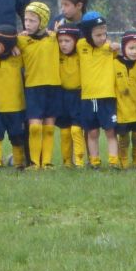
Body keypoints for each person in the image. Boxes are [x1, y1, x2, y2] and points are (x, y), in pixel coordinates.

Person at [17, 2, 61, 169]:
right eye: (25, 20)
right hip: (33, 88)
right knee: (35, 127)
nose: (27, 24)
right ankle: (34, 163)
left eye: (32, 20)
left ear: (42, 21)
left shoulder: (54, 38)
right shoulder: (21, 40)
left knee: (49, 128)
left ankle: (47, 162)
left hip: (53, 87)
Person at [77, 11, 119, 169]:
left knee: (110, 131)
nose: (102, 38)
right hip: (88, 97)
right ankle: (94, 162)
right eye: (98, 35)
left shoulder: (110, 48)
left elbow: (124, 50)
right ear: (88, 35)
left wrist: (118, 46)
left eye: (104, 34)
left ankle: (114, 162)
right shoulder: (80, 46)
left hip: (107, 97)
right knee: (92, 133)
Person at [0, 24, 26, 170]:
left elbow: (30, 42)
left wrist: (16, 45)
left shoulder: (19, 56)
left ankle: (19, 162)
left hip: (17, 106)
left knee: (17, 135)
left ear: (8, 45)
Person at [114, 30, 136, 170]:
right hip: (122, 109)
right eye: (131, 48)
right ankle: (123, 163)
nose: (135, 52)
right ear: (123, 47)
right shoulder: (114, 62)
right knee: (124, 138)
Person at [55, 23, 85, 168]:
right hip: (62, 95)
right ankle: (67, 162)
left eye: (67, 41)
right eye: (60, 41)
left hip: (78, 95)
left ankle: (79, 161)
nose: (63, 45)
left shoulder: (81, 52)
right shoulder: (56, 53)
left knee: (76, 129)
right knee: (65, 131)